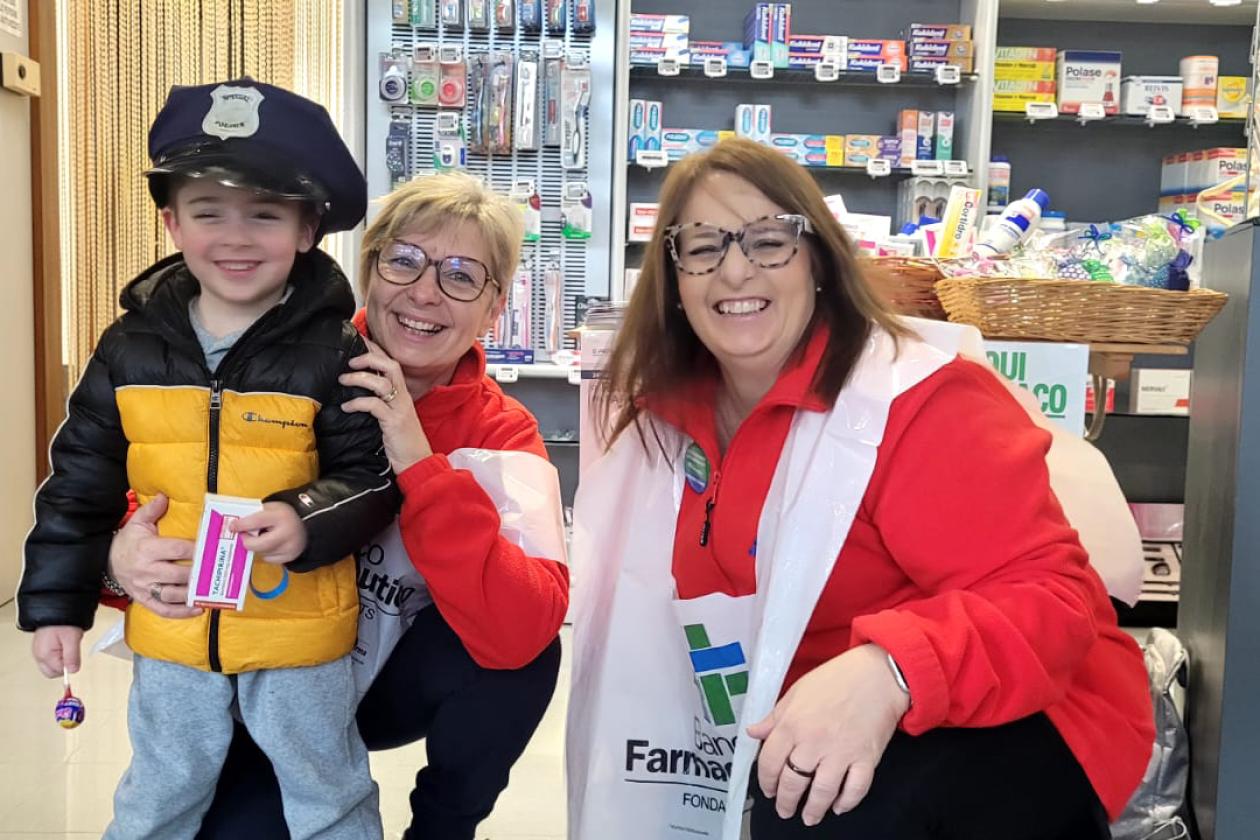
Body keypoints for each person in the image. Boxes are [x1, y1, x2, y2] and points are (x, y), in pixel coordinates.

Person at [568, 137, 1154, 840]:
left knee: (812, 802)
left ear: (818, 261)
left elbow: (1053, 604)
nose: (734, 270)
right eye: (702, 247)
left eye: (768, 242)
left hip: (1011, 713)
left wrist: (891, 670)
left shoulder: (917, 401)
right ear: (672, 278)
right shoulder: (658, 430)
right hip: (786, 713)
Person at [107, 171, 569, 840]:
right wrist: (119, 555)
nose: (424, 293)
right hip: (261, 680)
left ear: (495, 308)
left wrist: (418, 462)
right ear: (368, 269)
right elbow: (146, 500)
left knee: (528, 655)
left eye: (461, 276)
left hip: (390, 684)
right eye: (404, 260)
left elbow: (526, 629)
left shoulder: (502, 432)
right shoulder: (278, 367)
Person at [18, 80, 400, 839]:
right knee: (160, 790)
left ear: (307, 229)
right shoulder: (127, 347)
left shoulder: (338, 350)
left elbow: (373, 481)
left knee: (327, 791)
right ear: (172, 222)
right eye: (207, 211)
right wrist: (58, 604)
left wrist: (306, 517)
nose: (235, 237)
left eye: (264, 214)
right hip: (173, 629)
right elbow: (81, 481)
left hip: (298, 636)